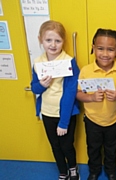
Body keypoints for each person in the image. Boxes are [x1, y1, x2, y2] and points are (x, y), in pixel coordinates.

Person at [76, 28, 116, 180]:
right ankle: (94, 171)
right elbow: (78, 93)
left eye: (110, 49)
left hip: (113, 120)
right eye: (100, 48)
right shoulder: (86, 71)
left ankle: (111, 171)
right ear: (93, 48)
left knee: (111, 149)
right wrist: (92, 98)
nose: (105, 54)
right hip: (92, 120)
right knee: (93, 148)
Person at [31, 20, 80, 180]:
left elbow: (71, 92)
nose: (53, 44)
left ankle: (73, 169)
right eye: (48, 40)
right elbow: (34, 88)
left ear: (63, 42)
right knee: (55, 146)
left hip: (66, 114)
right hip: (47, 113)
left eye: (57, 41)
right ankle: (62, 171)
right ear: (40, 40)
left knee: (66, 146)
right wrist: (41, 85)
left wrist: (64, 122)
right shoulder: (38, 63)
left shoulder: (69, 61)